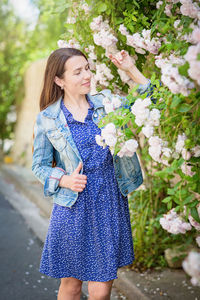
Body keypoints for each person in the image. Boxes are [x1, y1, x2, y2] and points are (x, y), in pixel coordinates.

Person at [32, 47, 154, 300]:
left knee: (100, 291)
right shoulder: (48, 119)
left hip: (108, 200)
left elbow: (148, 97)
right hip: (73, 205)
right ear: (59, 80)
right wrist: (64, 179)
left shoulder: (107, 104)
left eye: (87, 68)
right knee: (71, 285)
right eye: (78, 72)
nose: (87, 75)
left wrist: (130, 68)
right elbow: (39, 165)